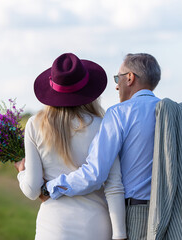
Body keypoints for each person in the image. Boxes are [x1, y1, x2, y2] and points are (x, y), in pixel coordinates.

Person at [45, 53, 182, 240]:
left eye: (118, 78)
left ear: (129, 78)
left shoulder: (119, 113)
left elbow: (95, 173)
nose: (116, 85)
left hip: (137, 216)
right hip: (179, 215)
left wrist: (52, 186)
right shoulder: (181, 116)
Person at [14, 53, 127, 240]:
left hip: (53, 227)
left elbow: (33, 190)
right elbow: (114, 186)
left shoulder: (35, 124)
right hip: (96, 227)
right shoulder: (103, 125)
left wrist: (21, 173)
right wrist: (119, 235)